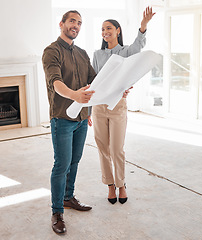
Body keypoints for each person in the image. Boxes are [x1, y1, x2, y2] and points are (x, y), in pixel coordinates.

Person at [91, 7, 155, 205]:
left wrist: (143, 26)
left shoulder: (126, 52)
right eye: (102, 29)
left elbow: (139, 45)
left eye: (108, 28)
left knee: (117, 148)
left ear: (118, 30)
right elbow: (93, 82)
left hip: (118, 106)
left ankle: (121, 184)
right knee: (103, 148)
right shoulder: (97, 54)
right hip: (99, 107)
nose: (105, 32)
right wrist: (87, 111)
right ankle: (110, 186)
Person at [42, 10, 96, 234]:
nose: (76, 25)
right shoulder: (51, 51)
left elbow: (95, 82)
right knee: (61, 165)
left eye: (80, 23)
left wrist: (117, 91)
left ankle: (68, 197)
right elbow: (55, 83)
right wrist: (74, 95)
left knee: (75, 161)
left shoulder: (83, 53)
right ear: (61, 23)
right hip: (62, 119)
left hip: (82, 118)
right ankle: (57, 212)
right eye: (72, 21)